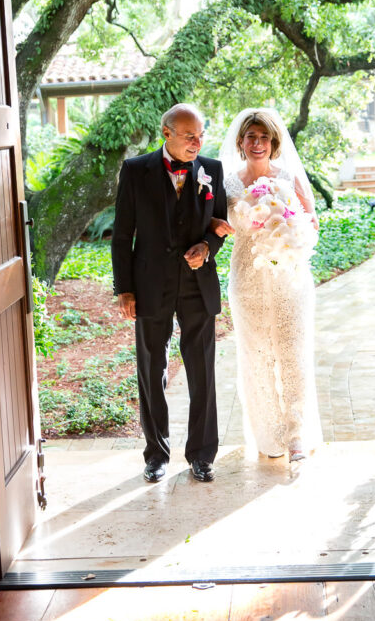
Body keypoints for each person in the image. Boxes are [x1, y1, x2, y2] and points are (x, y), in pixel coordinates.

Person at [111, 104, 229, 484]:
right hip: (149, 286)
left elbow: (220, 224)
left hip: (197, 285)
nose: (198, 142)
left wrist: (207, 247)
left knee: (202, 372)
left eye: (201, 134)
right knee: (151, 370)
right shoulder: (135, 170)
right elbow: (121, 234)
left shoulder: (212, 169)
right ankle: (156, 455)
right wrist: (125, 289)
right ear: (166, 133)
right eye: (189, 135)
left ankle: (202, 455)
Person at [216, 108, 321, 462]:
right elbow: (218, 223)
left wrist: (291, 236)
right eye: (251, 137)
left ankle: (296, 436)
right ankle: (270, 433)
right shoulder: (228, 182)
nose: (257, 143)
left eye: (264, 137)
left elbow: (313, 224)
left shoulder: (289, 176)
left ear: (273, 142)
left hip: (289, 275)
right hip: (247, 276)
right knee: (256, 353)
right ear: (240, 142)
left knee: (293, 352)